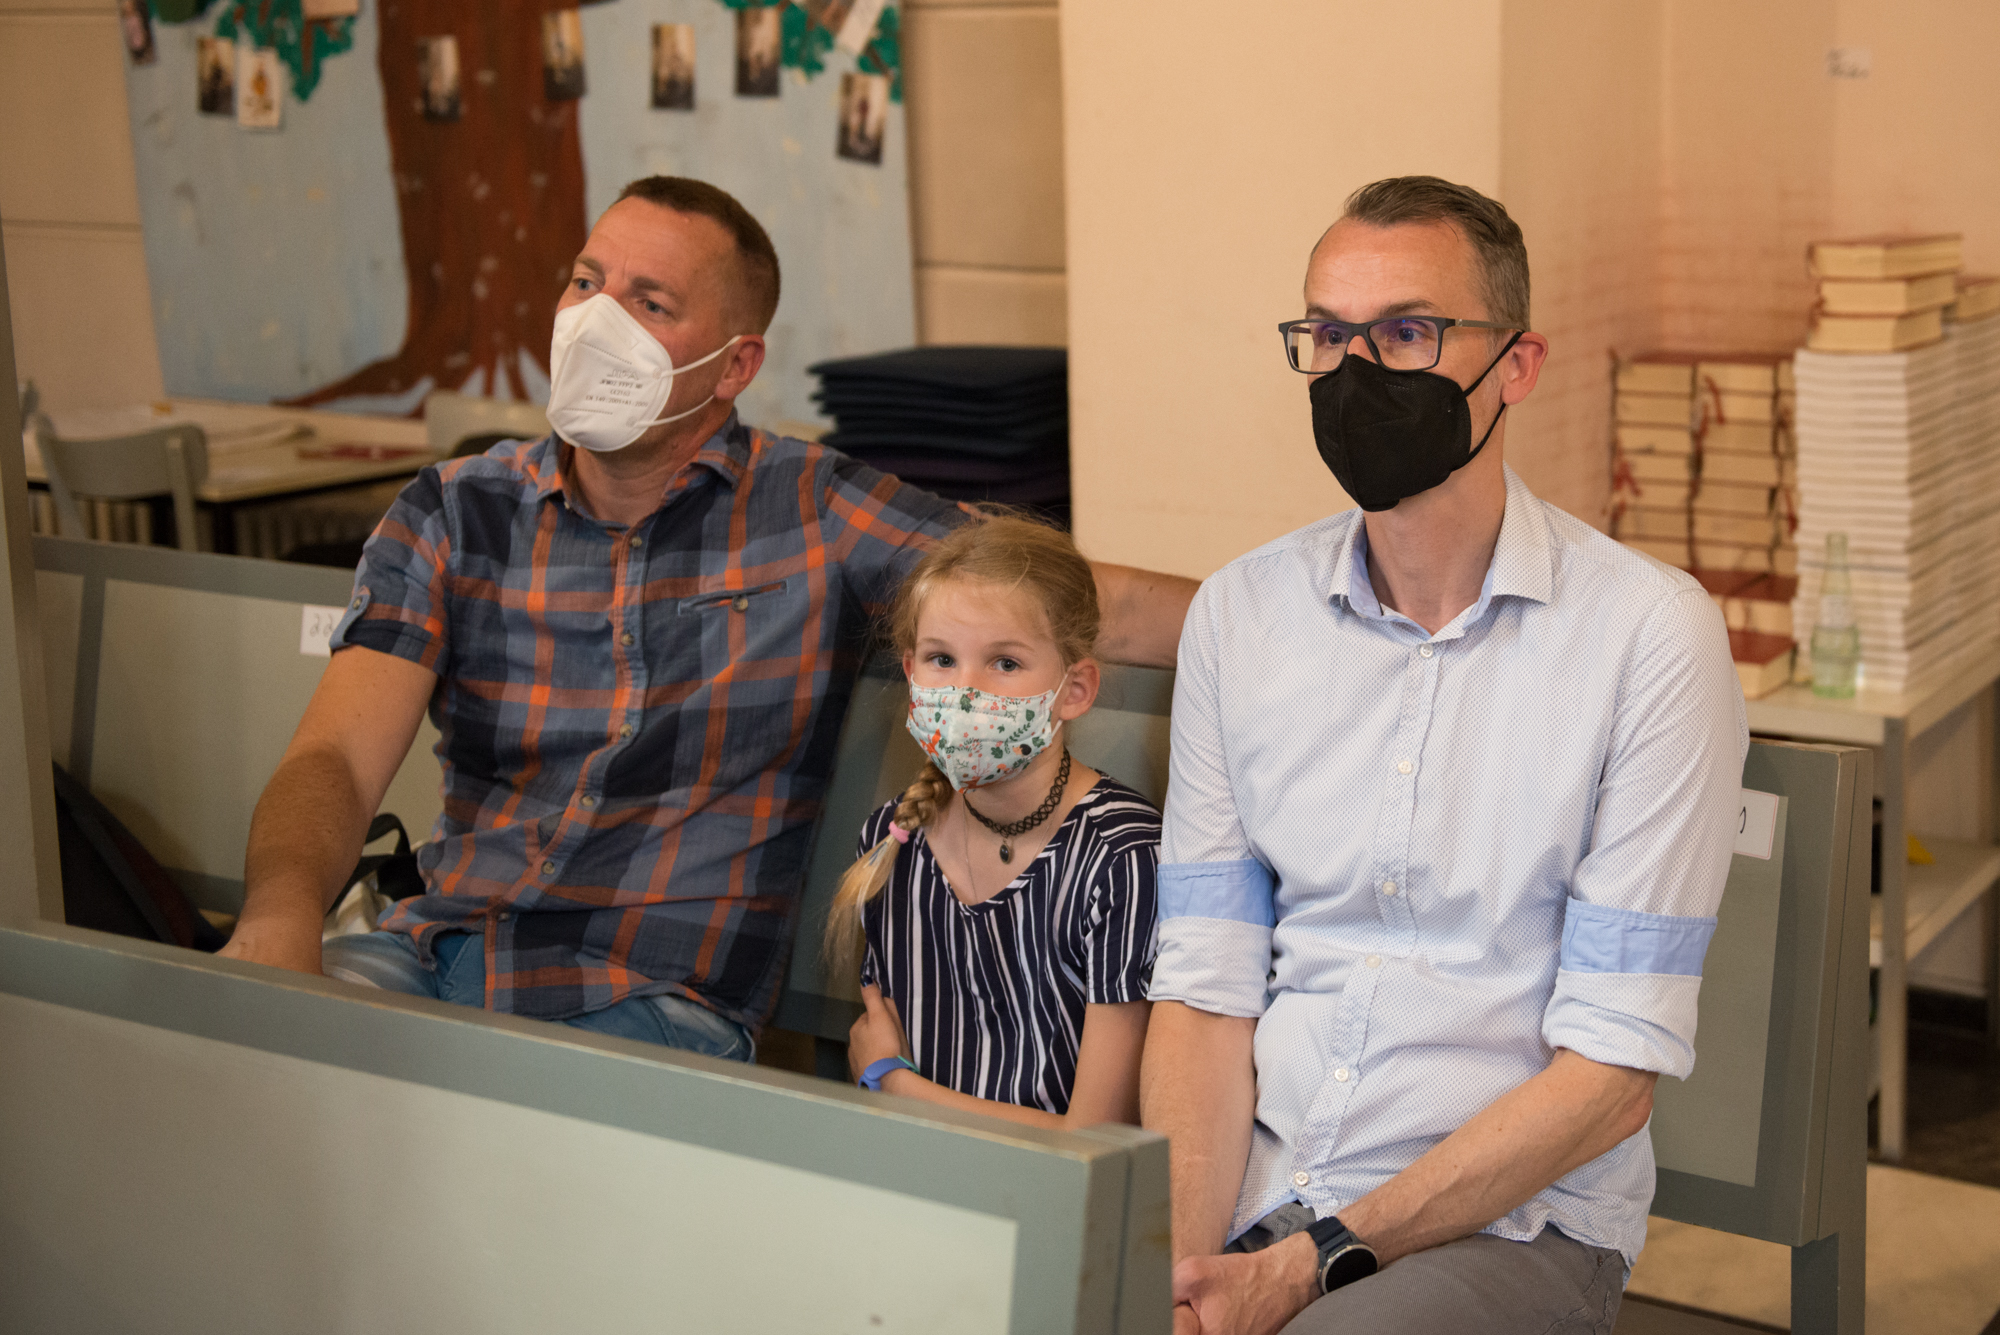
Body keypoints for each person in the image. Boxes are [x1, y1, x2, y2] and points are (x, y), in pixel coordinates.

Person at [219, 176, 1195, 1061]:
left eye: (649, 304)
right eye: (585, 282)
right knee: (237, 1078)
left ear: (734, 367)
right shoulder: (452, 510)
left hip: (643, 1003)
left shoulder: (812, 510)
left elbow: (1060, 598)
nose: (596, 320)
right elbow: (335, 759)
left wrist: (1268, 617)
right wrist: (279, 916)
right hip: (428, 953)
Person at [1141, 176, 1745, 1335]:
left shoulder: (1645, 636)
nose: (1357, 370)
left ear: (1516, 364)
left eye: (1406, 332)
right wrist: (1177, 1274)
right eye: (1328, 335)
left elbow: (1610, 1077)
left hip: (1508, 1223)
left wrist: (1303, 1266)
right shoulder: (1240, 615)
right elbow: (1206, 993)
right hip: (1259, 1190)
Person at [831, 516, 1158, 1128]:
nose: (965, 693)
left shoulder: (1123, 858)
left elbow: (1094, 1141)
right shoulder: (890, 839)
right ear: (910, 671)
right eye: (941, 659)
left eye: (1005, 663)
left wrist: (894, 1084)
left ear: (1074, 689)